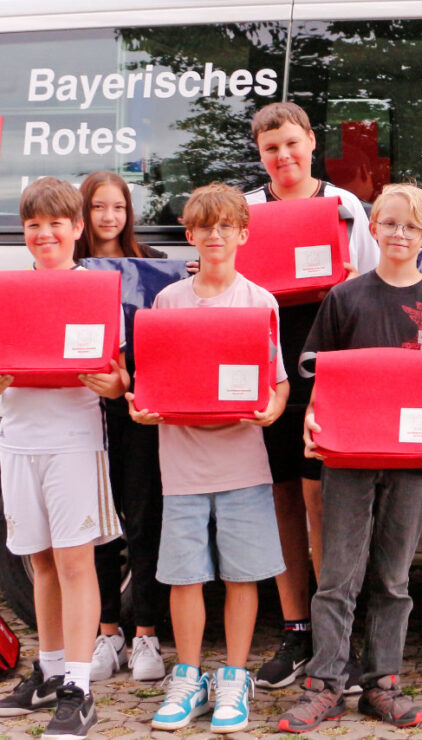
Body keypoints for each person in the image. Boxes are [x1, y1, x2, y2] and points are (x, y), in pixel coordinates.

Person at [276, 183, 422, 732]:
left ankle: (383, 683)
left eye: (411, 226)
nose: (399, 234)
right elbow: (321, 375)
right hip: (347, 455)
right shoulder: (345, 298)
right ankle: (325, 684)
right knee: (337, 575)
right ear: (372, 228)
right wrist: (313, 421)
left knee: (393, 578)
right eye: (389, 223)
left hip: (412, 460)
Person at [129, 183, 289, 733]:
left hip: (243, 459)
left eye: (226, 226)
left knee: (243, 575)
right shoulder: (169, 301)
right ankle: (189, 675)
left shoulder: (260, 301)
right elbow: (150, 380)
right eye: (205, 227)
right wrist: (142, 407)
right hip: (182, 463)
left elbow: (279, 383)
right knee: (185, 575)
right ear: (190, 235)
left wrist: (271, 408)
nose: (215, 235)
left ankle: (235, 677)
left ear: (243, 234)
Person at [245, 102, 379, 691]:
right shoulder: (246, 209)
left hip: (329, 371)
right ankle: (296, 628)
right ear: (259, 153)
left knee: (324, 502)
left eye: (292, 144)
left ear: (311, 143)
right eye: (271, 148)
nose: (283, 156)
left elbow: (372, 290)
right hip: (267, 373)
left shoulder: (345, 206)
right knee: (279, 501)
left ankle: (336, 635)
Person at [0, 177, 126, 739]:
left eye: (56, 223)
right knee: (41, 563)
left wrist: (111, 382)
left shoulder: (98, 290)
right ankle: (49, 671)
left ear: (78, 228)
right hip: (17, 442)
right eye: (33, 225)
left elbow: (119, 379)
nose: (44, 234)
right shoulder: (8, 291)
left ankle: (80, 686)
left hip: (75, 443)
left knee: (76, 563)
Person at [74, 171, 171, 683]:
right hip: (81, 414)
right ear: (83, 214)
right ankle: (107, 634)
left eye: (118, 207)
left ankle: (147, 636)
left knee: (143, 520)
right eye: (98, 207)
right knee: (98, 528)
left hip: (136, 411)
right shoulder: (67, 271)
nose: (109, 217)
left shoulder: (155, 268)